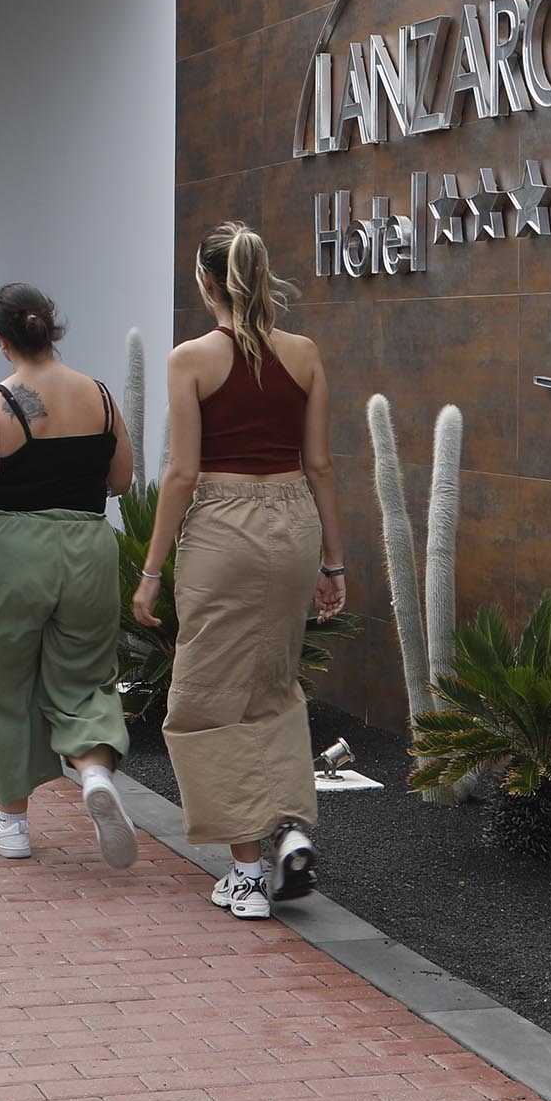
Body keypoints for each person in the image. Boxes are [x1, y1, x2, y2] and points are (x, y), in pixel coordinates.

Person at [133, 223, 345, 920]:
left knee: (204, 697)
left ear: (205, 282)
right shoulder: (305, 353)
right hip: (294, 522)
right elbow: (320, 464)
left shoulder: (191, 358)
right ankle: (284, 832)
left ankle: (248, 872)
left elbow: (182, 472)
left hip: (225, 524)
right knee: (274, 683)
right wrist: (333, 560)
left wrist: (152, 569)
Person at [0, 284, 139, 868]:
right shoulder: (99, 395)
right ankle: (95, 774)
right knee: (87, 675)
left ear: (1, 340)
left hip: (15, 550)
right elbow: (120, 480)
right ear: (53, 328)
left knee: (2, 683)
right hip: (90, 549)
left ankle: (12, 822)